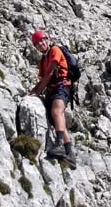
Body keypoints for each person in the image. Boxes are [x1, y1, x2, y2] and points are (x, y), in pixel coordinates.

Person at [28, 30, 76, 167]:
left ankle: (59, 144)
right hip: (53, 89)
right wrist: (33, 91)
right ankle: (69, 154)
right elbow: (44, 78)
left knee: (57, 112)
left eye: (42, 41)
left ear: (47, 39)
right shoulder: (43, 60)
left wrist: (38, 91)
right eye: (37, 44)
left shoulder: (55, 50)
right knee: (57, 119)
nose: (41, 44)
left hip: (62, 86)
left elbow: (49, 74)